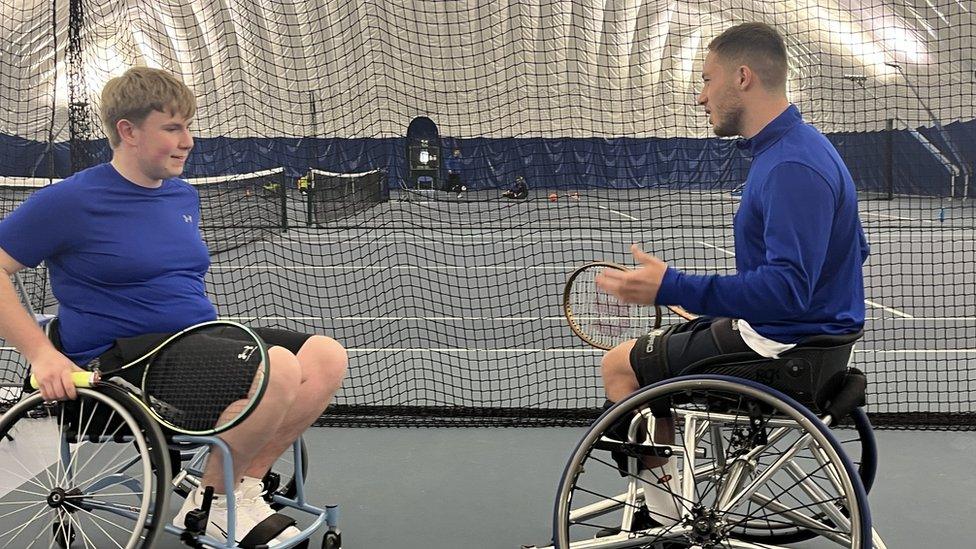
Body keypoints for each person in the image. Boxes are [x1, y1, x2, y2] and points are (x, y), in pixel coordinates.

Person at [0, 67, 347, 546]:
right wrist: (41, 354)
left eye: (189, 127)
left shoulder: (182, 195)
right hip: (124, 360)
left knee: (326, 356)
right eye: (173, 128)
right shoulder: (70, 201)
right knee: (278, 370)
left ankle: (235, 486)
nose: (188, 140)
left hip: (192, 342)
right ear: (128, 130)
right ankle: (215, 507)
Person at [594, 22, 869, 529]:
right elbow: (853, 252)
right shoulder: (800, 149)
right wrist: (717, 303)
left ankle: (665, 521)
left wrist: (670, 285)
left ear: (742, 77)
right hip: (807, 338)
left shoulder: (790, 166)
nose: (701, 97)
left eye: (706, 80)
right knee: (666, 347)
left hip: (785, 350)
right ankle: (666, 498)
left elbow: (787, 291)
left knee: (621, 366)